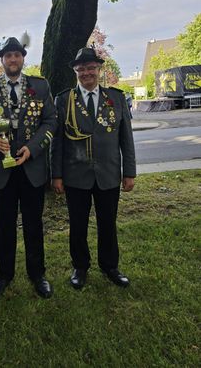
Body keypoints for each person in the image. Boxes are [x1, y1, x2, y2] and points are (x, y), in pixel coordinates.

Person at [0, 36, 57, 300]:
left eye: (17, 55)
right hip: (1, 170)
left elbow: (50, 122)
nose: (13, 59)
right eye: (8, 55)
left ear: (23, 58)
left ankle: (38, 274)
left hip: (31, 167)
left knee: (34, 224)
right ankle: (4, 275)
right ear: (2, 59)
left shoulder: (40, 86)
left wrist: (32, 148)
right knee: (5, 225)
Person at [51, 47, 136, 290]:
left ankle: (110, 266)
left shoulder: (116, 98)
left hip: (108, 173)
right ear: (75, 72)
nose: (86, 73)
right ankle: (80, 267)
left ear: (99, 69)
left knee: (107, 223)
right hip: (75, 175)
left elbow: (126, 139)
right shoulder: (63, 100)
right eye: (81, 69)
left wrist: (129, 172)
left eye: (91, 68)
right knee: (77, 224)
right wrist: (56, 174)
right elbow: (57, 142)